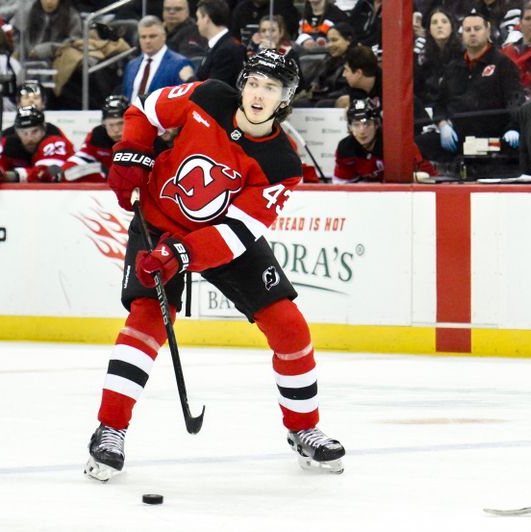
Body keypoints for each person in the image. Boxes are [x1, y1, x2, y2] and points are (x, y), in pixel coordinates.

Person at [83, 49, 345, 482]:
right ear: (243, 83)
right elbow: (147, 109)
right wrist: (132, 151)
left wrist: (182, 255)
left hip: (220, 238)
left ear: (285, 99)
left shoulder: (282, 164)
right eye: (255, 83)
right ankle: (110, 428)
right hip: (158, 221)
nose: (260, 94)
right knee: (147, 315)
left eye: (272, 88)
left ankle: (305, 428)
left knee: (288, 323)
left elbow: (239, 233)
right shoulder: (209, 95)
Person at [417, 11, 524, 162]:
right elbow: (439, 104)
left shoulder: (503, 64)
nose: (472, 33)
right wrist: (442, 125)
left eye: (477, 29)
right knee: (419, 144)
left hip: (493, 138)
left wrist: (513, 128)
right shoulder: (453, 67)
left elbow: (516, 102)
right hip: (457, 138)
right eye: (468, 30)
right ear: (462, 34)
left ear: (488, 30)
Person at [333, 99, 436, 182]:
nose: (362, 131)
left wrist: (415, 177)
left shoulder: (395, 144)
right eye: (356, 125)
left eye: (367, 124)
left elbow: (428, 176)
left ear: (376, 125)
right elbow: (342, 184)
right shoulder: (345, 148)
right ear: (350, 127)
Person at [122, 16, 194, 99]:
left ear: (164, 36)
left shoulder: (180, 64)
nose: (147, 41)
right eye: (143, 37)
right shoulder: (131, 65)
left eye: (152, 36)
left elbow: (183, 100)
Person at [62, 94, 129, 181]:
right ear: (104, 124)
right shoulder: (97, 135)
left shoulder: (140, 137)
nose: (116, 130)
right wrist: (62, 171)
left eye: (120, 123)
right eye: (111, 125)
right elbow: (81, 158)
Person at [414, 8, 463, 106]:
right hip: (430, 107)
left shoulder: (462, 53)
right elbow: (418, 88)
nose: (439, 26)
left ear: (452, 27)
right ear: (429, 29)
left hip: (457, 106)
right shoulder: (423, 55)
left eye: (444, 22)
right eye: (434, 23)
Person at [194, 0, 247, 87]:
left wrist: (189, 78)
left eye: (198, 18)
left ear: (206, 19)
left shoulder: (226, 50)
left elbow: (215, 90)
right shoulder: (219, 45)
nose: (197, 23)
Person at [231, 0, 299, 50]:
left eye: (272, 30)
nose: (267, 34)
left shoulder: (283, 5)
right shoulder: (241, 9)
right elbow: (234, 35)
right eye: (263, 31)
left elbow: (292, 30)